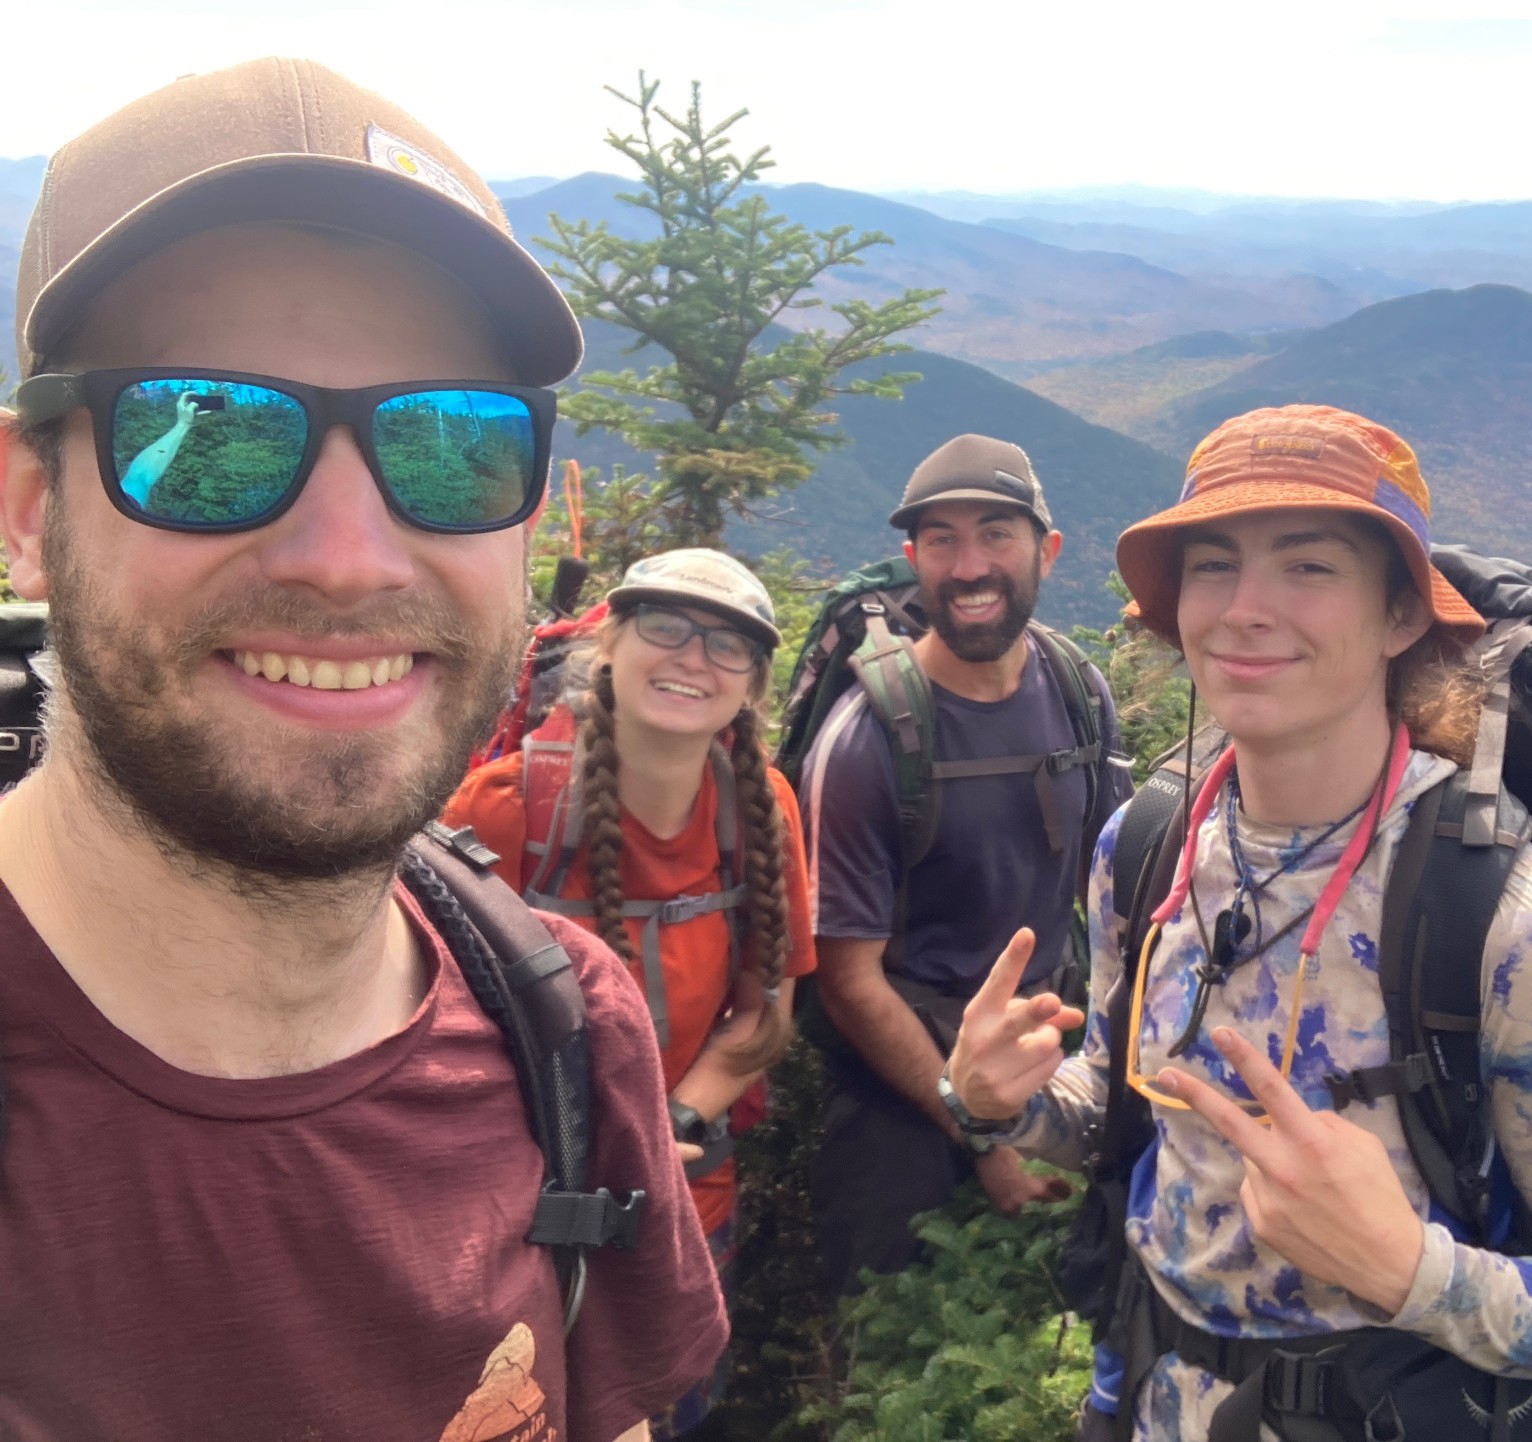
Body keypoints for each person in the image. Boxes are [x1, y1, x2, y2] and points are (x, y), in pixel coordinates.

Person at [0, 58, 723, 1440]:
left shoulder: (564, 1033)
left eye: (452, 443)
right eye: (206, 432)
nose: (347, 560)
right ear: (32, 505)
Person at [945, 405, 1532, 1439]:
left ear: (1400, 616)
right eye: (1212, 565)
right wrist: (996, 1102)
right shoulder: (1148, 848)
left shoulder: (1517, 933)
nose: (1246, 609)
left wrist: (1410, 1269)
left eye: (1310, 567)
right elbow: (1127, 1113)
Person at [445, 548, 816, 1436]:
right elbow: (425, 1030)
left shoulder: (761, 811)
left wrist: (666, 1129)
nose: (694, 658)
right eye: (666, 626)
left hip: (687, 1198)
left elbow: (763, 1023)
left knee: (663, 1411)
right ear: (609, 640)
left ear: (754, 684)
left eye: (728, 645)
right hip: (515, 1207)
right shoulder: (505, 808)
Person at [799, 433, 1134, 1294]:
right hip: (901, 1093)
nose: (968, 563)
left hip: (1045, 1056)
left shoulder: (1077, 692)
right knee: (884, 1347)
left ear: (1047, 553)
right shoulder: (867, 743)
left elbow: (1108, 892)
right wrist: (982, 1131)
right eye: (940, 540)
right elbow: (850, 981)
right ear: (913, 560)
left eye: (996, 533)